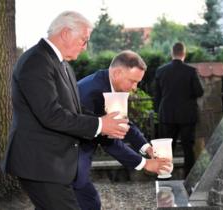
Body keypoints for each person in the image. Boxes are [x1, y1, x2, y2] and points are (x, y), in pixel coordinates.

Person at [0, 11, 130, 210]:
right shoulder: (36, 61)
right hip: (40, 164)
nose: (85, 46)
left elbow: (75, 109)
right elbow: (51, 115)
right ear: (66, 33)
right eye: (83, 40)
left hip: (52, 164)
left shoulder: (62, 64)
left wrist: (104, 123)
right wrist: (100, 124)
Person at [74, 50, 171, 210]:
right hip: (65, 159)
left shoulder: (108, 85)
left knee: (88, 202)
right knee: (87, 203)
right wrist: (145, 164)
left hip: (78, 158)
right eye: (133, 81)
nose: (135, 88)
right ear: (117, 73)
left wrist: (147, 148)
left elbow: (123, 123)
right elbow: (108, 141)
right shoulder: (93, 92)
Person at [154, 42, 204, 177]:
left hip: (167, 115)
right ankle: (189, 177)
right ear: (184, 54)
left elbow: (157, 97)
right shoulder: (190, 71)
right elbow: (199, 92)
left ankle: (164, 176)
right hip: (187, 116)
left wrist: (159, 112)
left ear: (172, 53)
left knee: (166, 149)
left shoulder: (161, 71)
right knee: (188, 148)